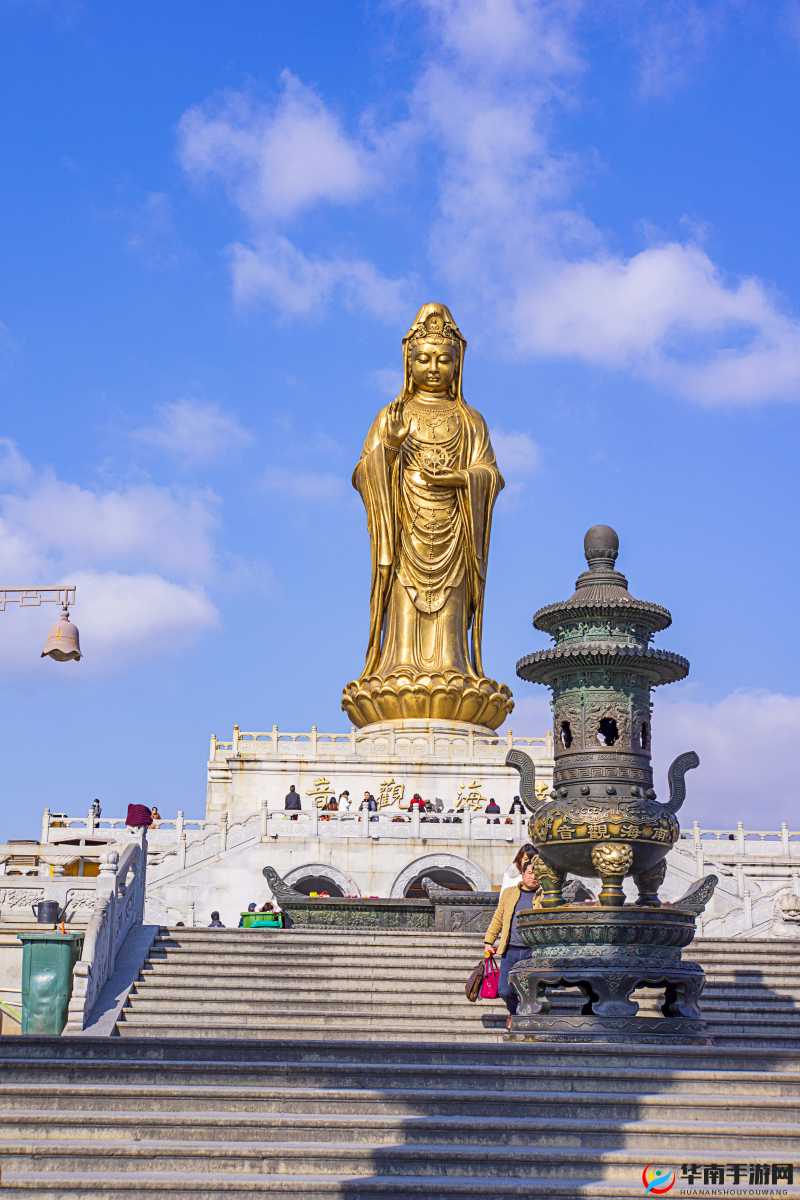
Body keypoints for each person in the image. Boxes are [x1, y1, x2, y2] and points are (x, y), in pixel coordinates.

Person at [484, 856, 542, 1028]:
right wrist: (489, 940)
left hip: (533, 951)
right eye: (530, 873)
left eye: (537, 874)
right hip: (510, 949)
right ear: (523, 874)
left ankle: (526, 1017)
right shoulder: (510, 893)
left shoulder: (545, 896)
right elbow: (498, 918)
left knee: (529, 989)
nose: (533, 877)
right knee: (504, 990)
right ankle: (515, 1012)